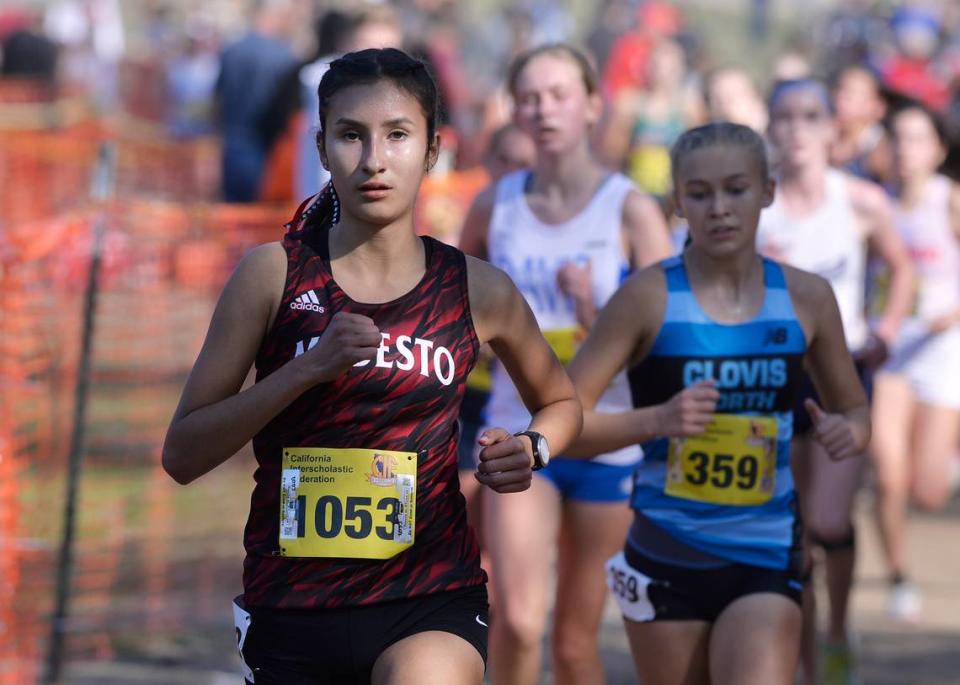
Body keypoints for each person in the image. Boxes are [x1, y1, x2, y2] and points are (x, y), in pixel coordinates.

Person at [162, 47, 582, 685]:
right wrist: (304, 370)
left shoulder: (475, 287)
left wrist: (535, 447)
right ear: (323, 148)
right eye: (351, 136)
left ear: (433, 150)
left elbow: (562, 401)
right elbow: (183, 454)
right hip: (295, 602)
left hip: (428, 595)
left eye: (398, 135)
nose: (375, 159)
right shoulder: (271, 276)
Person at [567, 121, 871, 685]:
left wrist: (848, 434)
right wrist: (658, 420)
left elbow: (854, 411)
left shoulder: (807, 297)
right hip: (665, 552)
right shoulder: (646, 297)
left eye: (736, 189)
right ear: (678, 202)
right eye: (700, 195)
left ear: (767, 192)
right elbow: (565, 422)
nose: (720, 209)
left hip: (766, 552)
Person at [459, 44, 672, 685]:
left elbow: (669, 337)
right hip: (517, 437)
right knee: (518, 621)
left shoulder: (631, 208)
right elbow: (445, 306)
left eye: (558, 94)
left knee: (576, 647)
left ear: (592, 105)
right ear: (515, 110)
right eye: (530, 96)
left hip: (607, 443)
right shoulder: (494, 206)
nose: (543, 108)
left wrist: (595, 310)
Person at [757, 78, 914, 685]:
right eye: (785, 117)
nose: (797, 129)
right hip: (775, 378)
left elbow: (900, 269)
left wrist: (889, 328)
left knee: (826, 520)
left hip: (842, 373)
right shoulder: (758, 204)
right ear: (771, 129)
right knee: (794, 537)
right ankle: (806, 663)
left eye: (810, 116)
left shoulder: (863, 201)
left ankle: (840, 627)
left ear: (831, 128)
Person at [871, 104, 960, 623]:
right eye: (898, 139)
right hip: (894, 349)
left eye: (917, 139)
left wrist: (950, 315)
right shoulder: (875, 204)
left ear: (937, 150)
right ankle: (899, 576)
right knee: (888, 475)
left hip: (944, 351)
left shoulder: (949, 201)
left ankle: (943, 463)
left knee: (926, 492)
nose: (906, 149)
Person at [215, 0, 298, 202]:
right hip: (262, 145)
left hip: (232, 141)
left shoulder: (231, 50)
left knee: (231, 213)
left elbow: (218, 95)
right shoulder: (284, 55)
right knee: (257, 215)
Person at [831, 65, 893, 185]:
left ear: (877, 106)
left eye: (850, 93)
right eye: (839, 89)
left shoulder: (879, 146)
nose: (840, 97)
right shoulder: (827, 135)